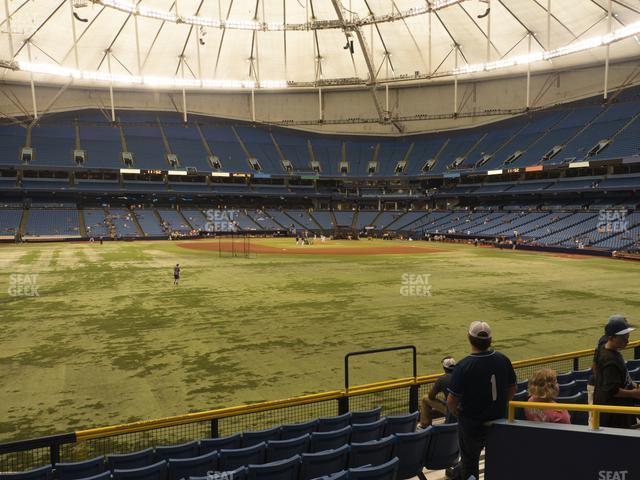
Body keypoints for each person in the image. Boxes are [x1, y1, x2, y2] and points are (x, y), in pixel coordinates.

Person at [447, 321, 517, 480]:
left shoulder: (463, 365)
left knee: (470, 464)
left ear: (469, 338)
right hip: (499, 420)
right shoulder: (503, 359)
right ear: (490, 340)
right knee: (498, 462)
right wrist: (499, 404)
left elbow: (451, 401)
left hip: (471, 424)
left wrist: (457, 413)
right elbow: (512, 389)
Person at [593, 315, 640, 428]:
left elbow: (595, 366)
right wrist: (634, 393)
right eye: (623, 338)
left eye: (627, 336)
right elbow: (613, 391)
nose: (627, 341)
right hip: (614, 415)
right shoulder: (610, 362)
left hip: (613, 409)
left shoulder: (604, 345)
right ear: (611, 337)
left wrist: (634, 385)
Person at [418, 356, 456, 428]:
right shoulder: (463, 374)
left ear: (444, 368)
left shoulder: (442, 379)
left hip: (452, 410)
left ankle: (424, 426)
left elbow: (430, 396)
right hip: (466, 409)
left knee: (425, 399)